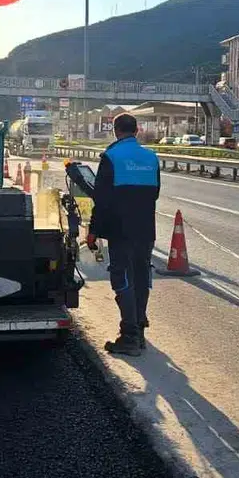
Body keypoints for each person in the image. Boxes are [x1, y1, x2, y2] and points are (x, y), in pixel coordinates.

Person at [87, 113, 160, 356]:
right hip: (146, 230)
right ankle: (139, 328)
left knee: (122, 278)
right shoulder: (151, 158)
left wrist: (93, 231)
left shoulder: (111, 157)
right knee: (141, 276)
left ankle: (129, 336)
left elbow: (102, 200)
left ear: (115, 130)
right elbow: (155, 193)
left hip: (120, 230)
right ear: (137, 130)